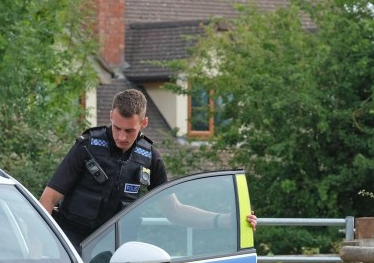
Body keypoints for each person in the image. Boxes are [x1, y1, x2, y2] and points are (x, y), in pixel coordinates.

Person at [40, 88, 257, 249]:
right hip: (71, 245)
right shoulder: (86, 147)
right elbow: (48, 200)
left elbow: (175, 211)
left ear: (143, 124)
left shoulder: (150, 158)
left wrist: (226, 220)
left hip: (116, 252)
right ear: (110, 116)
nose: (121, 137)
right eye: (117, 128)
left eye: (129, 130)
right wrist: (41, 249)